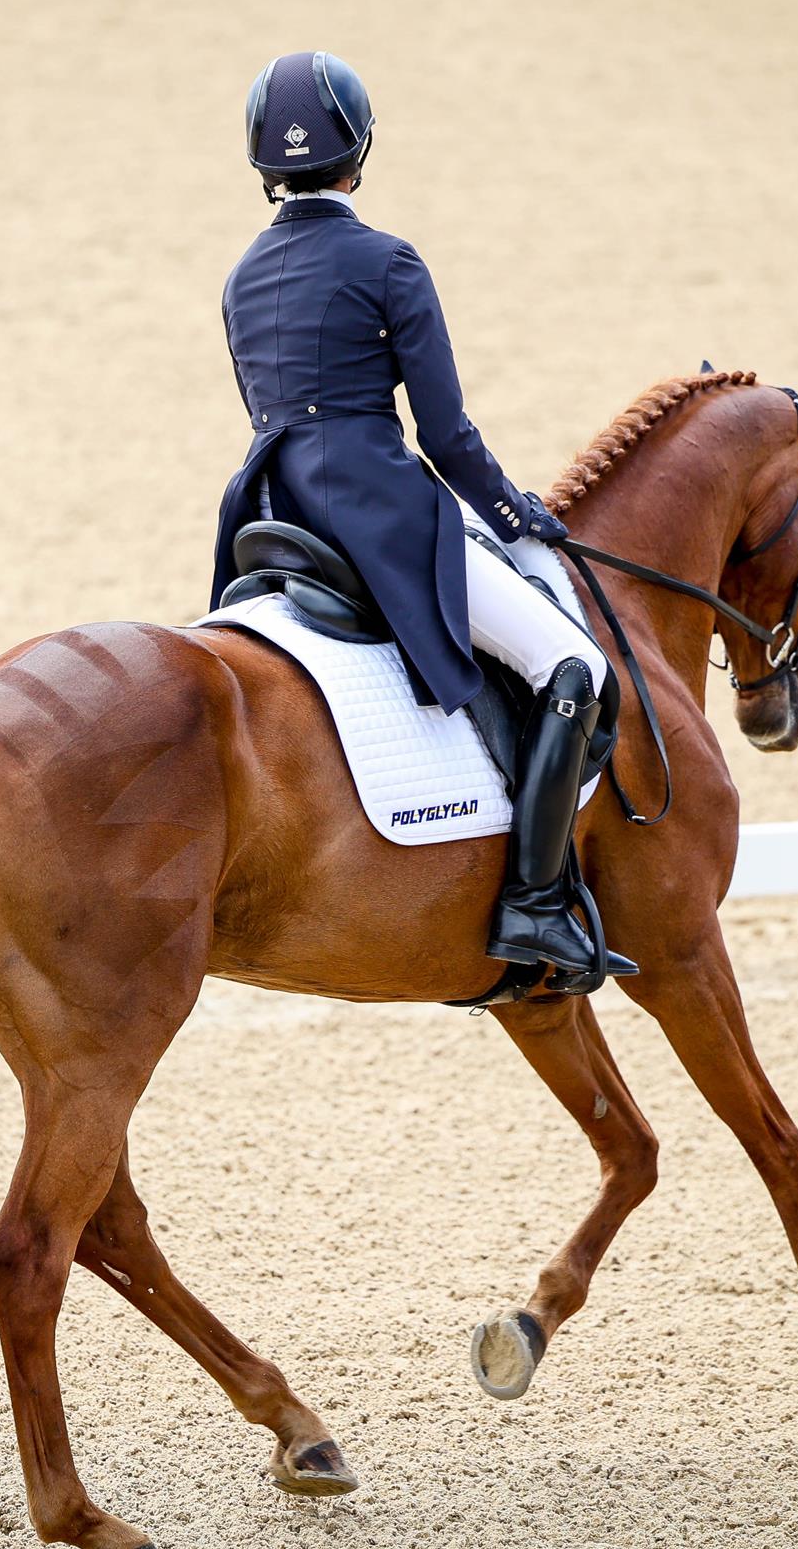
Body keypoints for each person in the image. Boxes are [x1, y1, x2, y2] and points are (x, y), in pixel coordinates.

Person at [209, 51, 633, 982]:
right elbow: (444, 431)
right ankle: (532, 905)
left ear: (262, 163)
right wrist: (515, 512)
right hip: (377, 508)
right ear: (358, 152)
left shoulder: (241, 278)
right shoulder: (387, 259)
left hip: (274, 508)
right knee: (574, 662)